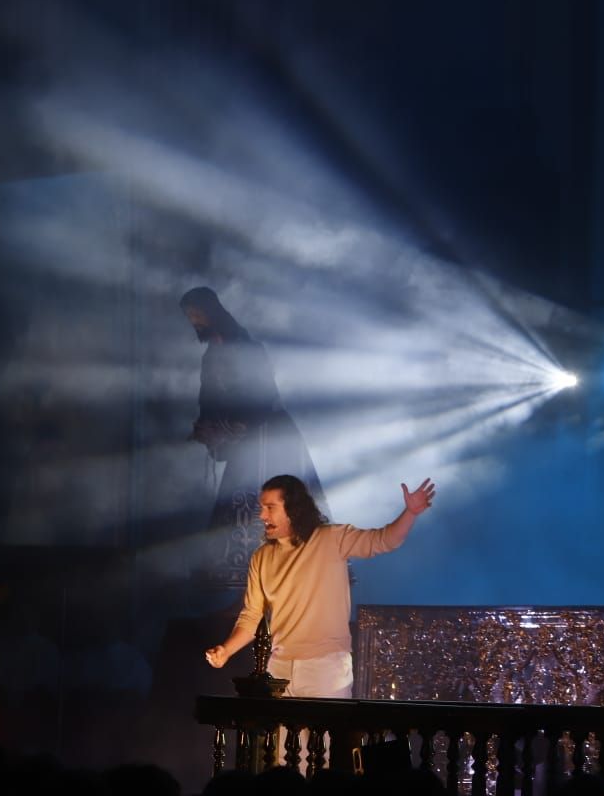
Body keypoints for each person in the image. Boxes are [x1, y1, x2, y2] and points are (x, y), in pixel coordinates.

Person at [204, 474, 436, 697]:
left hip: (327, 669)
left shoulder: (332, 538)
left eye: (270, 507)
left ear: (293, 510)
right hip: (278, 669)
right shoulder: (261, 557)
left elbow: (385, 540)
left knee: (325, 738)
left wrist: (410, 512)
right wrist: (226, 650)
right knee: (283, 738)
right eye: (262, 507)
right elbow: (252, 615)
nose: (262, 515)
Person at [180, 287, 326, 587]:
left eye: (196, 312)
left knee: (278, 510)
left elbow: (264, 397)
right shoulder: (211, 357)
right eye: (189, 315)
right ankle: (247, 595)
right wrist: (206, 427)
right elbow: (207, 402)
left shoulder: (248, 348)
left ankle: (287, 592)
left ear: (211, 311)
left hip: (269, 440)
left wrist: (232, 427)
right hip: (243, 445)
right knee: (240, 517)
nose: (194, 320)